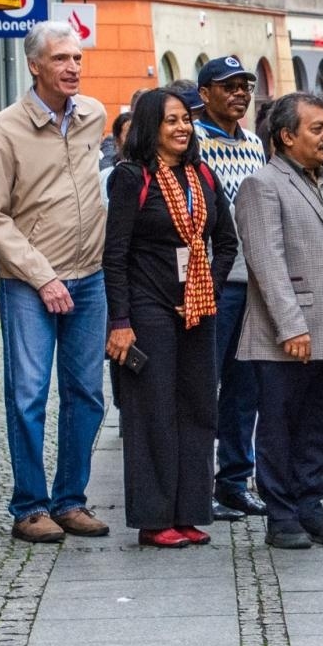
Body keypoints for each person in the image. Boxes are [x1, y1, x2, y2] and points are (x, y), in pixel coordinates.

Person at [0, 21, 111, 544]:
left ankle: (70, 501)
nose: (72, 67)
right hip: (30, 285)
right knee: (29, 395)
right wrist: (42, 276)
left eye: (77, 58)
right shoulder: (4, 130)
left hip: (90, 278)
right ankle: (30, 506)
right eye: (60, 59)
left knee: (87, 394)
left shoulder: (93, 115)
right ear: (34, 65)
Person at [234, 93, 323, 549]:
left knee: (320, 425)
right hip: (289, 334)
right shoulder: (262, 184)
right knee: (280, 426)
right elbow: (266, 262)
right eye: (317, 128)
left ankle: (310, 506)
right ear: (286, 136)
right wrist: (291, 325)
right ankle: (281, 515)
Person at [103, 88, 237, 547]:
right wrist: (120, 321)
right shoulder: (131, 177)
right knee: (153, 411)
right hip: (148, 308)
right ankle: (155, 518)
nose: (182, 128)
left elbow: (227, 242)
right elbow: (115, 255)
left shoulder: (202, 173)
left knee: (198, 408)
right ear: (150, 127)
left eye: (185, 120)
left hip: (198, 308)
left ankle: (190, 511)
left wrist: (208, 287)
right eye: (171, 121)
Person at [192, 55, 270, 521]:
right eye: (228, 86)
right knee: (205, 385)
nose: (240, 93)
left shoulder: (255, 144)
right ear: (205, 94)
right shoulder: (192, 140)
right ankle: (197, 483)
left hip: (253, 279)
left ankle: (235, 481)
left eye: (245, 86)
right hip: (212, 280)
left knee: (246, 389)